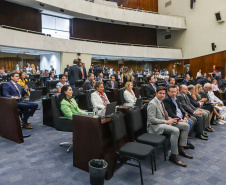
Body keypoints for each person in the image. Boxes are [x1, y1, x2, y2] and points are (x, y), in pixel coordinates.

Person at [147, 86, 192, 167]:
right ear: (156, 93)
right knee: (175, 130)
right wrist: (166, 121)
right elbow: (152, 120)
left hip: (164, 123)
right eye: (160, 93)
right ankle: (173, 155)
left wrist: (173, 119)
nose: (162, 95)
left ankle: (181, 148)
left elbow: (166, 115)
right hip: (155, 126)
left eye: (164, 93)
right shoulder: (152, 103)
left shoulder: (161, 101)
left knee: (186, 126)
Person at [163, 85, 194, 149]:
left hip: (180, 116)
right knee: (189, 124)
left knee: (191, 121)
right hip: (173, 118)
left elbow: (180, 108)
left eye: (175, 91)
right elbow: (170, 113)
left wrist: (184, 115)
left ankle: (183, 140)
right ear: (168, 92)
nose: (174, 93)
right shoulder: (166, 99)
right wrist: (181, 120)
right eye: (172, 92)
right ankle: (184, 143)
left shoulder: (175, 97)